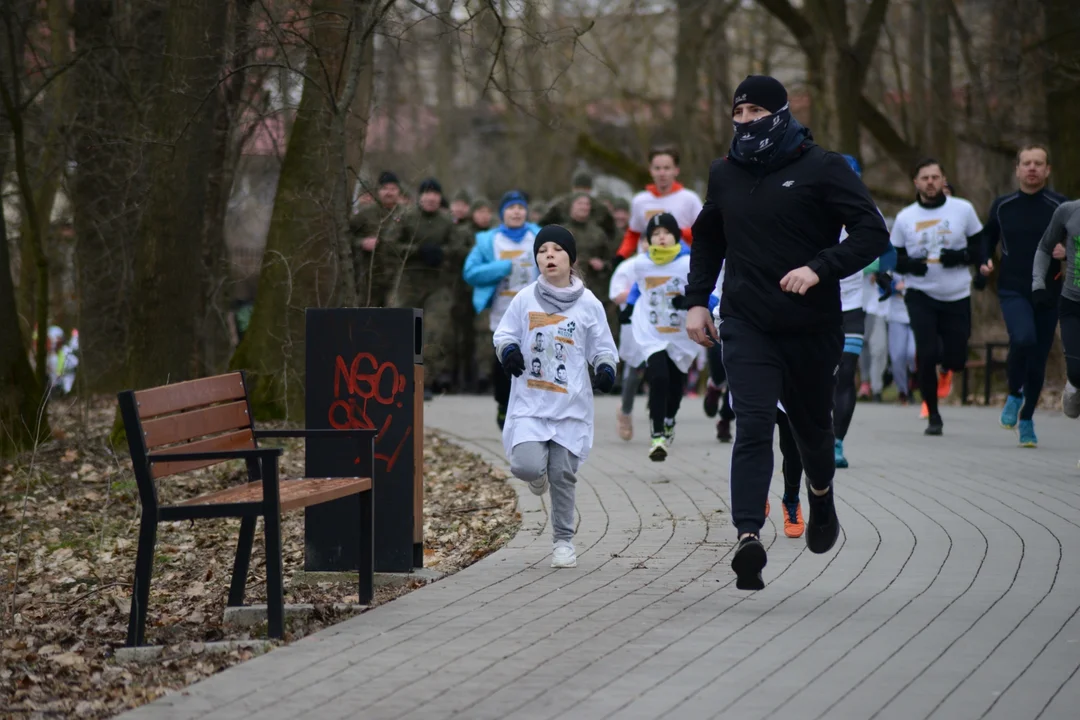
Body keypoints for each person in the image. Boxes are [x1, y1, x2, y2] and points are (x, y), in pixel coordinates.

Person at [685, 75, 890, 590]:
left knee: (811, 433)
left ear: (781, 112)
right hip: (746, 321)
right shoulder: (725, 173)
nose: (747, 120)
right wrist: (695, 301)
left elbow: (872, 232)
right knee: (752, 422)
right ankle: (749, 536)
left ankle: (820, 495)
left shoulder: (824, 167)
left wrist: (821, 267)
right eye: (739, 112)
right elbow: (708, 237)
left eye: (756, 110)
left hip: (811, 326)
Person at [495, 225, 618, 568]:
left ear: (571, 259)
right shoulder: (525, 299)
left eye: (557, 249)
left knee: (563, 476)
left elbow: (603, 346)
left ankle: (563, 541)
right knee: (525, 465)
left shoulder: (588, 304)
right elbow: (503, 333)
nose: (549, 255)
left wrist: (606, 368)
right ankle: (538, 477)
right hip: (531, 404)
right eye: (542, 250)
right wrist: (508, 352)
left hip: (569, 407)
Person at [979, 145, 1068, 447]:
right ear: (1017, 169)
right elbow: (987, 237)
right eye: (1026, 163)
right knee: (1023, 338)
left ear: (1047, 170)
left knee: (1038, 358)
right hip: (1013, 287)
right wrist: (984, 259)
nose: (1032, 168)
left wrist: (1068, 251)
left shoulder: (1062, 206)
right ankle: (1014, 393)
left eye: (1038, 163)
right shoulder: (1003, 206)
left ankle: (1027, 418)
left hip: (1049, 288)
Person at [891, 158, 984, 436]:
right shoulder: (905, 217)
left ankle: (949, 368)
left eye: (935, 177)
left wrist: (963, 257)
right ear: (916, 183)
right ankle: (933, 415)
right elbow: (893, 257)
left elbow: (980, 247)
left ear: (943, 180)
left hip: (956, 293)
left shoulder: (963, 209)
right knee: (927, 354)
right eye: (925, 178)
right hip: (921, 293)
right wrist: (908, 265)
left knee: (955, 358)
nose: (930, 182)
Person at [832, 154, 896, 469]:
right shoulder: (807, 207)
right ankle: (813, 435)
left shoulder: (868, 212)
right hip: (813, 308)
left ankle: (836, 442)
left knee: (846, 373)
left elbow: (888, 251)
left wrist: (884, 273)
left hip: (852, 305)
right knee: (817, 378)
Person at [618, 213, 698, 461]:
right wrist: (630, 308)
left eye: (666, 233)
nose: (661, 238)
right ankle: (657, 437)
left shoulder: (688, 263)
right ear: (649, 239)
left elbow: (706, 289)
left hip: (680, 333)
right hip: (651, 331)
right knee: (659, 377)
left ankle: (670, 418)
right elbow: (637, 286)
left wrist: (688, 301)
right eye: (655, 234)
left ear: (675, 235)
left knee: (676, 385)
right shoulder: (641, 263)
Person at [463, 191, 541, 428]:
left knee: (533, 359)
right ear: (502, 213)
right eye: (511, 207)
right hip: (502, 311)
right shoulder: (489, 240)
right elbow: (471, 272)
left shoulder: (538, 236)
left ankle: (531, 411)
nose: (516, 211)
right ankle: (503, 404)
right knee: (503, 362)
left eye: (520, 207)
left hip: (535, 311)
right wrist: (503, 267)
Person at [387, 178, 456, 398]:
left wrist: (442, 253)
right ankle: (398, 379)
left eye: (435, 193)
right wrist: (417, 250)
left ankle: (423, 382)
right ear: (420, 196)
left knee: (434, 333)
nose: (431, 197)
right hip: (408, 283)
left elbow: (460, 247)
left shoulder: (447, 222)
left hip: (437, 285)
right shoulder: (406, 217)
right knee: (404, 331)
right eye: (427, 193)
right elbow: (389, 244)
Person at [1032, 199, 1080, 459]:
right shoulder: (1069, 211)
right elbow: (1044, 246)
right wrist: (1038, 283)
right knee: (1077, 370)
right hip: (1073, 304)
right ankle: (1074, 383)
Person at [614, 146, 703, 261]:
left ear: (676, 170)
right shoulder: (640, 200)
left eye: (667, 168)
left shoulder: (689, 199)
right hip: (649, 263)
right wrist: (621, 255)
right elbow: (633, 234)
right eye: (657, 168)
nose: (662, 173)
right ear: (650, 170)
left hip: (681, 262)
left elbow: (705, 233)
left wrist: (678, 232)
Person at [448, 197, 493, 393]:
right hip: (463, 291)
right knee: (463, 336)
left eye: (487, 212)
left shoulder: (495, 235)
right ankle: (461, 377)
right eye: (480, 212)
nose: (483, 216)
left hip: (487, 291)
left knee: (484, 333)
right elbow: (457, 254)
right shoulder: (463, 232)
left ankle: (484, 376)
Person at [609, 235, 648, 441]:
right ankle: (625, 411)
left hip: (662, 328)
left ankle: (661, 418)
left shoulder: (674, 266)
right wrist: (640, 293)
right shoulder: (628, 266)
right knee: (634, 372)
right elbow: (616, 295)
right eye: (648, 240)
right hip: (634, 327)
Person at [351, 171, 406, 306]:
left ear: (399, 192)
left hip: (399, 277)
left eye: (393, 189)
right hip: (369, 278)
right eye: (385, 188)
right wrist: (361, 242)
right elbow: (346, 235)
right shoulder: (366, 213)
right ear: (378, 191)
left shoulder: (407, 215)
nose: (389, 192)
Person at [540, 173, 617, 240]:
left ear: (590, 190)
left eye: (585, 189)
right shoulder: (560, 205)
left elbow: (611, 233)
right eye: (578, 189)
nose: (581, 193)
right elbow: (543, 226)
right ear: (573, 189)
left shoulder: (599, 208)